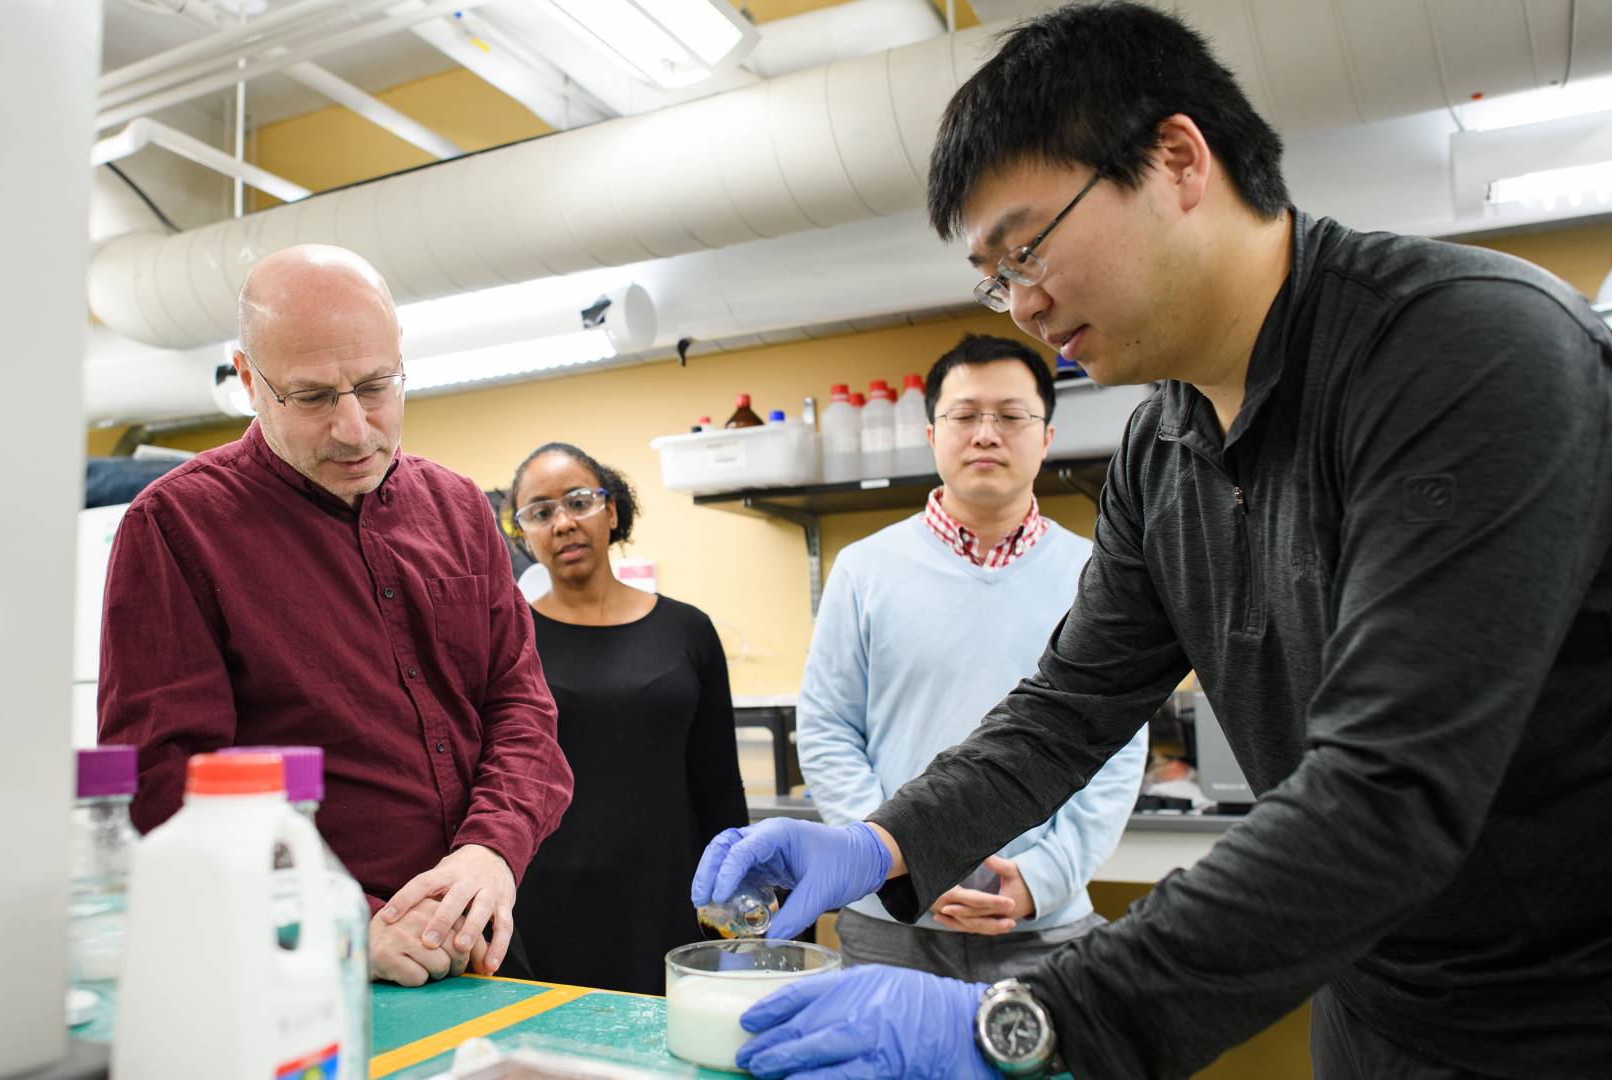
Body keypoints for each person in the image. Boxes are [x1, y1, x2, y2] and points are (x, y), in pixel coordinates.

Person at [694, 4, 1612, 1078]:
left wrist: (1028, 1021)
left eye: (1028, 246)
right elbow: (1065, 712)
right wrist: (879, 843)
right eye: (995, 275)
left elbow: (1389, 791)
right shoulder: (1162, 444)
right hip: (1376, 1002)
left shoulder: (1466, 354)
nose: (1023, 302)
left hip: (1570, 1010)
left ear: (1178, 159)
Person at [98, 245, 574, 988]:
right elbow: (166, 787)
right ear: (250, 381)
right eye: (314, 397)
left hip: (480, 934)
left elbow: (518, 707)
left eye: (376, 386)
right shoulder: (175, 528)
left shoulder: (459, 510)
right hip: (298, 957)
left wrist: (491, 850)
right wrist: (338, 919)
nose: (354, 429)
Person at [796, 334, 1146, 983]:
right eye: (964, 415)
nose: (987, 434)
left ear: (1045, 437)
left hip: (1042, 926)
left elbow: (1118, 745)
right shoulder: (864, 569)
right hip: (890, 927)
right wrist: (893, 862)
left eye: (1011, 416)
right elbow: (827, 730)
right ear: (933, 434)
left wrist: (1041, 879)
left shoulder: (1099, 575)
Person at [503, 442, 749, 995]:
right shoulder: (511, 642)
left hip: (667, 894)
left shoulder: (687, 631)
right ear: (524, 536)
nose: (563, 522)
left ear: (611, 511)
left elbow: (718, 784)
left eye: (579, 501)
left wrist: (735, 891)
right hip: (546, 900)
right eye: (540, 512)